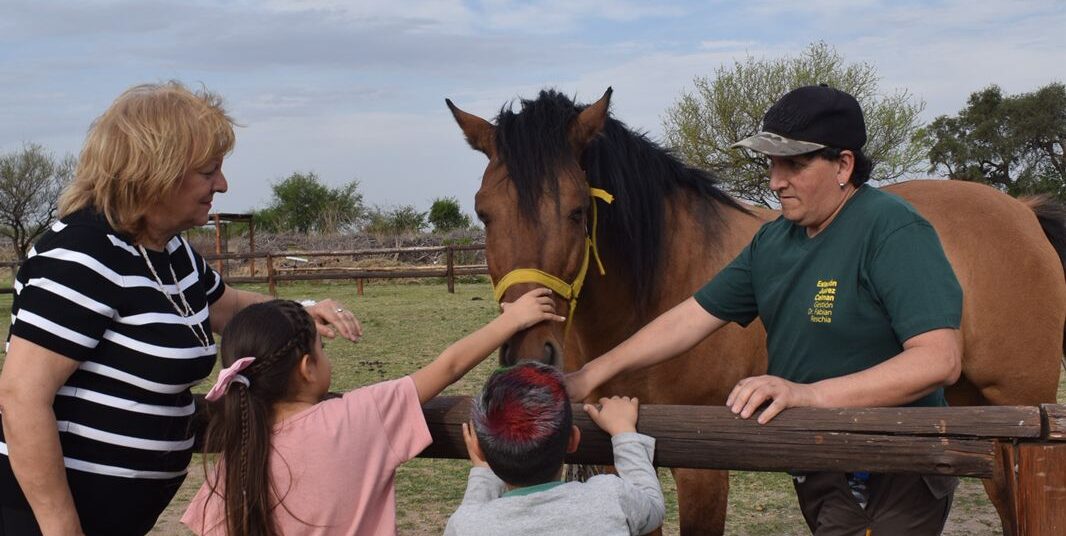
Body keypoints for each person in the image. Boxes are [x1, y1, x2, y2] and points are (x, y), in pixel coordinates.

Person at [565, 85, 964, 535]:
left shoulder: (893, 229)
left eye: (794, 164)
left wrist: (808, 395)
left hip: (893, 463)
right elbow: (690, 318)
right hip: (820, 462)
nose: (776, 181)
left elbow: (939, 359)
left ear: (843, 165)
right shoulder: (774, 241)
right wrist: (591, 374)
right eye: (772, 164)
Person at [0, 81, 359, 535]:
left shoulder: (169, 251)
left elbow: (227, 307)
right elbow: (22, 397)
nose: (222, 185)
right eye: (208, 171)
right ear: (156, 171)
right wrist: (61, 528)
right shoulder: (83, 253)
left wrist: (304, 310)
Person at [181, 290, 564, 536]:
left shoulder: (235, 462)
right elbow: (447, 367)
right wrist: (511, 320)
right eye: (321, 349)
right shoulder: (358, 418)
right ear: (307, 368)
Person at [444, 362, 665, 536]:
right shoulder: (611, 498)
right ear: (573, 440)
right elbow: (653, 506)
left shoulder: (466, 526)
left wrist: (483, 475)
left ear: (478, 449)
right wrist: (624, 432)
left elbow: (469, 519)